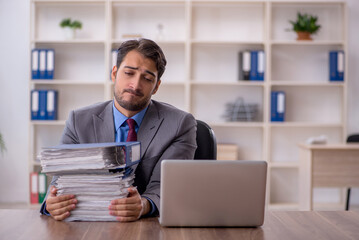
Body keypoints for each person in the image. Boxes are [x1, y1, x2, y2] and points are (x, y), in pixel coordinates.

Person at [40, 38, 197, 222]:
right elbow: (60, 183)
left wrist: (145, 205)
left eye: (147, 79)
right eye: (129, 73)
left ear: (156, 87)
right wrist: (52, 204)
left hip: (149, 225)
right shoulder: (78, 121)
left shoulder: (180, 124)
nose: (135, 85)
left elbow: (166, 186)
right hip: (89, 224)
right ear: (114, 73)